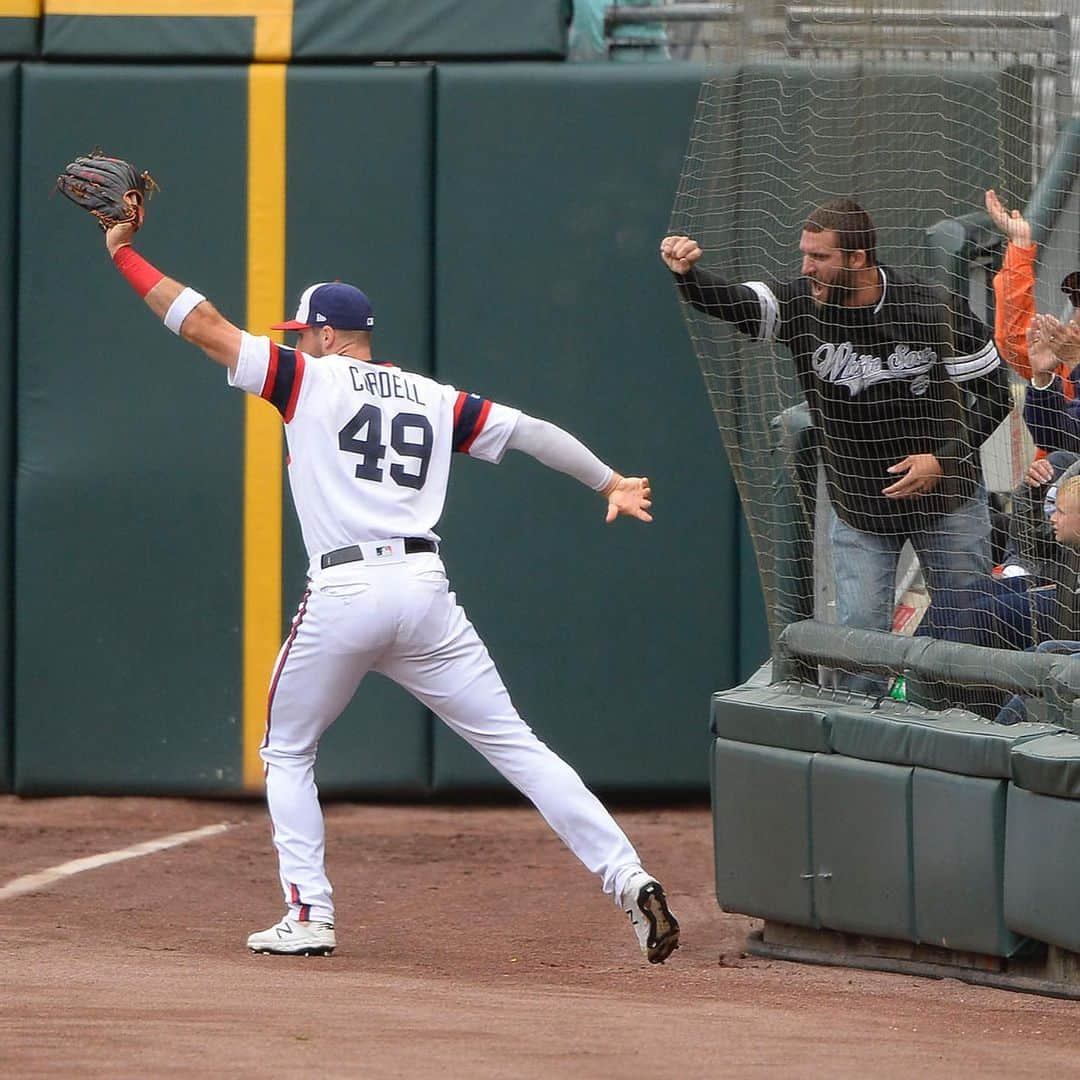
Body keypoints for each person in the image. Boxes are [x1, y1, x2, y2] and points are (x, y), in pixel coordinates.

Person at [96, 214, 680, 965]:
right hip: (425, 591)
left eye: (303, 332)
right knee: (522, 749)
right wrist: (609, 479)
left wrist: (126, 256)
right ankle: (628, 876)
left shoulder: (306, 376)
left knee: (287, 751)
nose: (297, 341)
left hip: (347, 588)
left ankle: (309, 913)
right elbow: (532, 431)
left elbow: (202, 324)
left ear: (330, 336)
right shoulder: (435, 398)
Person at [661, 200, 1012, 693]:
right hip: (860, 507)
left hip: (946, 501)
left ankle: (972, 742)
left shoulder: (928, 304)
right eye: (805, 254)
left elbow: (995, 392)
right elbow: (735, 302)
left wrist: (943, 459)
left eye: (819, 257)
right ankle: (863, 759)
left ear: (857, 258)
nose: (806, 268)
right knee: (861, 652)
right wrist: (689, 277)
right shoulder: (801, 304)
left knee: (970, 636)